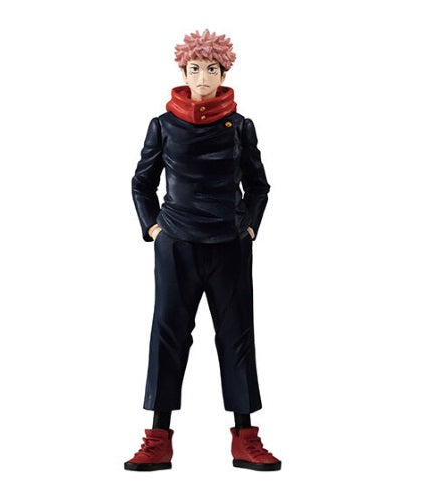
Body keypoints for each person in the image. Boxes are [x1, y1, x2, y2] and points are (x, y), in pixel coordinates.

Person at [125, 29, 281, 472]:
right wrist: (154, 228)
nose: (203, 78)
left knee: (237, 336)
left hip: (229, 244)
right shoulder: (163, 125)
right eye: (195, 69)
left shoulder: (241, 126)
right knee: (168, 335)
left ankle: (245, 437)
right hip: (177, 244)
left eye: (212, 69)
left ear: (223, 74)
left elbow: (259, 185)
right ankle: (158, 438)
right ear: (184, 72)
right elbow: (141, 182)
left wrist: (249, 227)